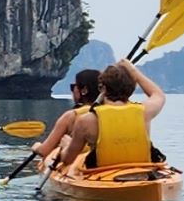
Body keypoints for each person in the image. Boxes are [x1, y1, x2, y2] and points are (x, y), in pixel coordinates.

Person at [31, 56, 166, 178]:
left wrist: (65, 147)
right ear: (132, 87)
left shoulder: (86, 120)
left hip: (102, 174)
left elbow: (68, 160)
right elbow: (158, 94)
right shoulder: (145, 111)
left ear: (103, 89)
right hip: (142, 172)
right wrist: (133, 71)